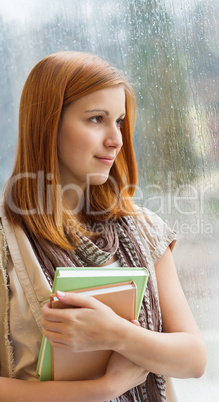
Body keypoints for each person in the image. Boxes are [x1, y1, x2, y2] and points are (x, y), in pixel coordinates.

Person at [0, 51, 206, 401]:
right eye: (97, 119)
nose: (116, 139)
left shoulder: (144, 229)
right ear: (48, 124)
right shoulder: (7, 244)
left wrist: (116, 334)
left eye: (120, 121)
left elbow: (193, 358)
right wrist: (102, 389)